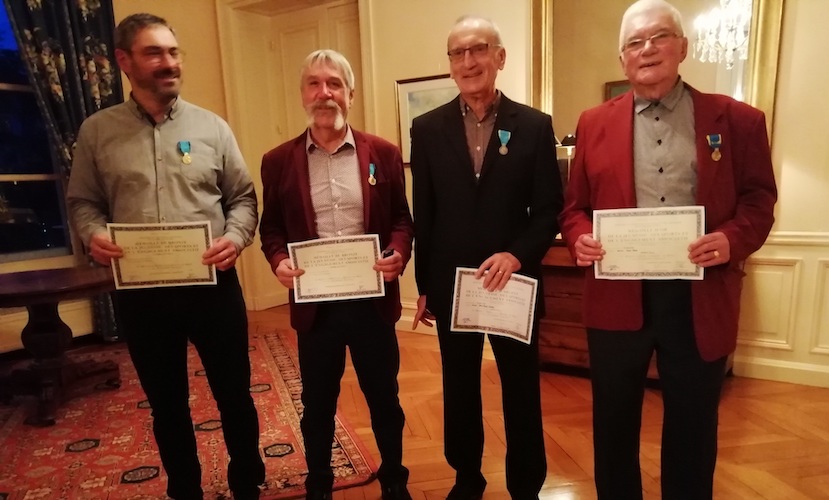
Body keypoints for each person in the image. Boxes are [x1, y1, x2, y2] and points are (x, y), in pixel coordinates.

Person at [559, 1, 778, 498]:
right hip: (618, 297)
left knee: (694, 425)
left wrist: (731, 240)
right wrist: (579, 237)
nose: (647, 49)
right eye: (634, 42)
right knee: (613, 422)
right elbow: (574, 208)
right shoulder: (592, 123)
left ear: (683, 47)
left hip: (700, 298)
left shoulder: (739, 120)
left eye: (659, 37)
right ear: (622, 59)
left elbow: (760, 200)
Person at [66, 13, 264, 500]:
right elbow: (83, 202)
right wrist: (92, 233)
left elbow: (243, 198)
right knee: (167, 404)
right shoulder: (97, 132)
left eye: (173, 52)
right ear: (124, 61)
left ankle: (247, 483)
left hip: (212, 287)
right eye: (154, 53)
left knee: (234, 394)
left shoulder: (212, 128)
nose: (169, 62)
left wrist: (235, 237)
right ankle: (185, 489)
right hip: (143, 294)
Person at [410, 16, 563, 500]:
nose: (468, 61)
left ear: (499, 57)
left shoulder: (535, 126)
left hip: (513, 285)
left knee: (521, 390)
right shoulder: (426, 129)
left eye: (478, 49)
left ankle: (526, 486)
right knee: (459, 388)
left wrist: (517, 255)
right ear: (450, 64)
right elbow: (425, 213)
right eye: (458, 52)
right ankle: (466, 478)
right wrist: (425, 288)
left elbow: (548, 211)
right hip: (454, 288)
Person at [258, 49, 414, 500]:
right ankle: (320, 483)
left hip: (372, 302)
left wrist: (397, 252)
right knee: (317, 404)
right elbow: (272, 228)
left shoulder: (383, 153)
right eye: (314, 83)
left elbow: (402, 220)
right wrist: (277, 260)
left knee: (384, 397)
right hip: (316, 307)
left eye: (334, 84)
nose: (323, 93)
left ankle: (394, 479)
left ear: (350, 94)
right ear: (302, 93)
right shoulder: (278, 161)